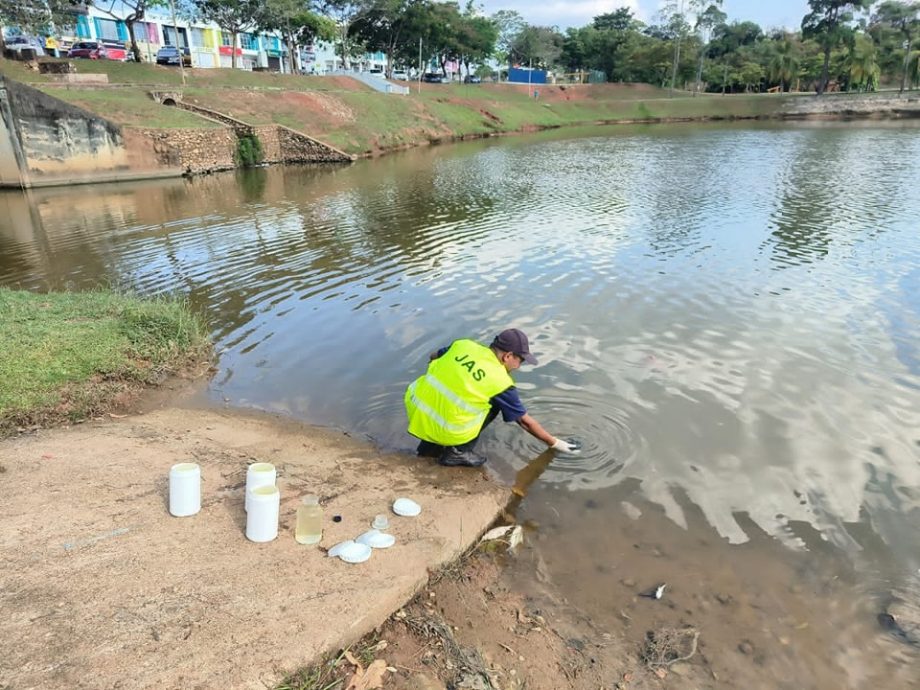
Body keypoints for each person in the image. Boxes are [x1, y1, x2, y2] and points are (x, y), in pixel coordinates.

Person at [405, 328, 579, 467]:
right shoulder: (499, 381)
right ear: (508, 356)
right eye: (520, 360)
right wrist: (555, 443)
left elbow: (433, 356)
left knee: (453, 391)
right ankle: (456, 453)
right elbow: (524, 421)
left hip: (416, 407)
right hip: (442, 423)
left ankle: (427, 448)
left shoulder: (464, 345)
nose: (518, 366)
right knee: (494, 404)